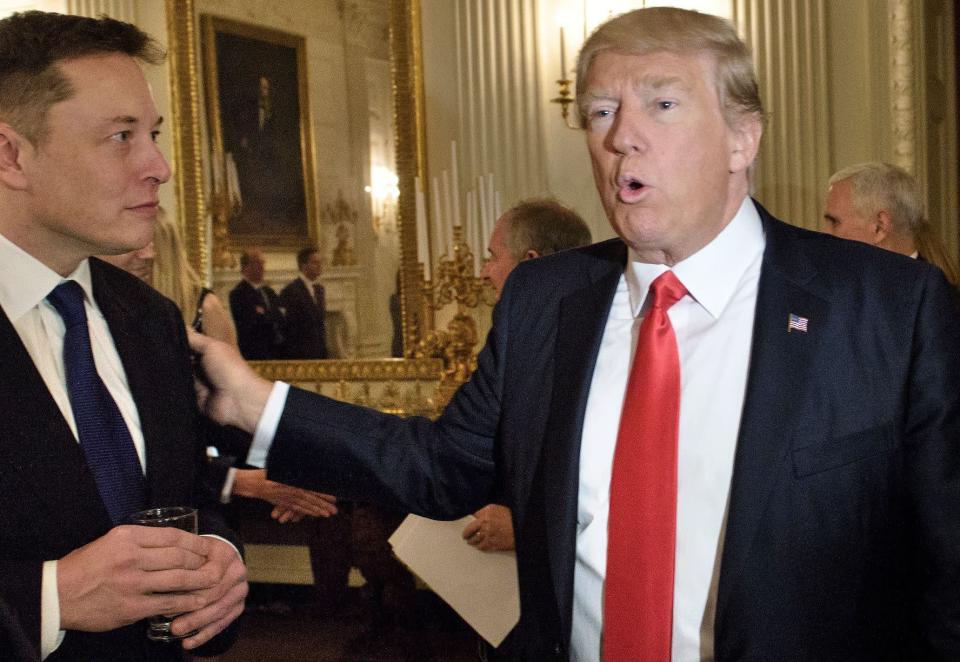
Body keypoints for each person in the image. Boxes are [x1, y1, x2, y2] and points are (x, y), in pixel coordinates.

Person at [191, 7, 960, 661]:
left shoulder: (888, 307)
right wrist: (257, 405)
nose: (623, 136)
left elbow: (945, 571)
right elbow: (441, 467)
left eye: (661, 105)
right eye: (600, 112)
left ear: (742, 139)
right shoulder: (545, 300)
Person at [0, 11, 248, 660]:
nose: (159, 167)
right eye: (121, 136)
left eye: (153, 134)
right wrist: (52, 596)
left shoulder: (151, 320)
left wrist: (218, 555)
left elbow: (185, 497)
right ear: (11, 155)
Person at [465, 198, 592, 554]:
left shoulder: (588, 348)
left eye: (492, 256)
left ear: (531, 263)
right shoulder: (519, 338)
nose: (484, 272)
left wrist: (525, 529)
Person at [823, 161, 960, 284]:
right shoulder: (833, 293)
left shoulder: (940, 302)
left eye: (835, 222)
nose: (824, 234)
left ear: (879, 226)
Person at [230, 247, 286, 360]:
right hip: (255, 354)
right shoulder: (238, 294)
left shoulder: (268, 292)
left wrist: (265, 314)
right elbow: (252, 323)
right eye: (257, 263)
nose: (262, 267)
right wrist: (269, 316)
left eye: (263, 263)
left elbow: (280, 318)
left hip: (276, 352)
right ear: (246, 267)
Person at [280, 246, 328, 359]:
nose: (319, 266)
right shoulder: (291, 291)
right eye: (315, 262)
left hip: (319, 352)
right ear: (304, 265)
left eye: (320, 262)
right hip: (301, 354)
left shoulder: (319, 289)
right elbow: (290, 327)